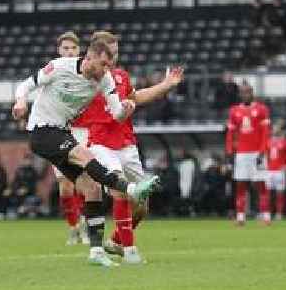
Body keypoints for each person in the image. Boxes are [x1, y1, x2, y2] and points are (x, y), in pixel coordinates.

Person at [11, 39, 160, 267]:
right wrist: (21, 101)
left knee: (91, 188)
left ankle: (96, 252)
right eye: (103, 65)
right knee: (86, 156)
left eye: (109, 66)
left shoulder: (105, 78)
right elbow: (26, 85)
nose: (106, 71)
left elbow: (116, 114)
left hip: (62, 131)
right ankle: (131, 188)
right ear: (89, 59)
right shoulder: (60, 66)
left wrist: (126, 110)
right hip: (42, 131)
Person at [80, 31, 184, 264]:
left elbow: (138, 98)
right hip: (101, 144)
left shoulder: (121, 76)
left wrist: (166, 85)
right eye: (110, 53)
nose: (114, 58)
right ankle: (130, 251)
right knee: (119, 189)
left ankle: (117, 241)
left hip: (126, 145)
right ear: (98, 53)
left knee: (142, 205)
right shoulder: (84, 77)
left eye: (116, 53)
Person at [51, 32, 90, 245]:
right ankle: (73, 226)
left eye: (73, 48)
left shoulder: (85, 71)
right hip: (58, 131)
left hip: (82, 132)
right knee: (65, 187)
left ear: (79, 51)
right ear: (59, 51)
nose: (69, 52)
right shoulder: (52, 71)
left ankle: (84, 224)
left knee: (83, 182)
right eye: (65, 48)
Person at [226, 82, 271, 225]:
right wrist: (229, 151)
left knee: (261, 185)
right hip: (241, 153)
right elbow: (231, 133)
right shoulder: (234, 111)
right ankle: (240, 217)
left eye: (248, 92)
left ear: (252, 93)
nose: (245, 94)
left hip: (257, 152)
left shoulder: (262, 109)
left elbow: (265, 133)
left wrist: (263, 151)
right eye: (243, 92)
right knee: (240, 185)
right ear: (240, 94)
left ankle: (266, 216)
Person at [265, 120, 286, 220]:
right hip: (269, 170)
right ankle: (268, 213)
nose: (275, 130)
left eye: (277, 128)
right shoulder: (268, 141)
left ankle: (279, 213)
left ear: (280, 130)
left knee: (280, 193)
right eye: (274, 128)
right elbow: (263, 154)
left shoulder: (285, 142)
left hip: (280, 171)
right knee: (268, 193)